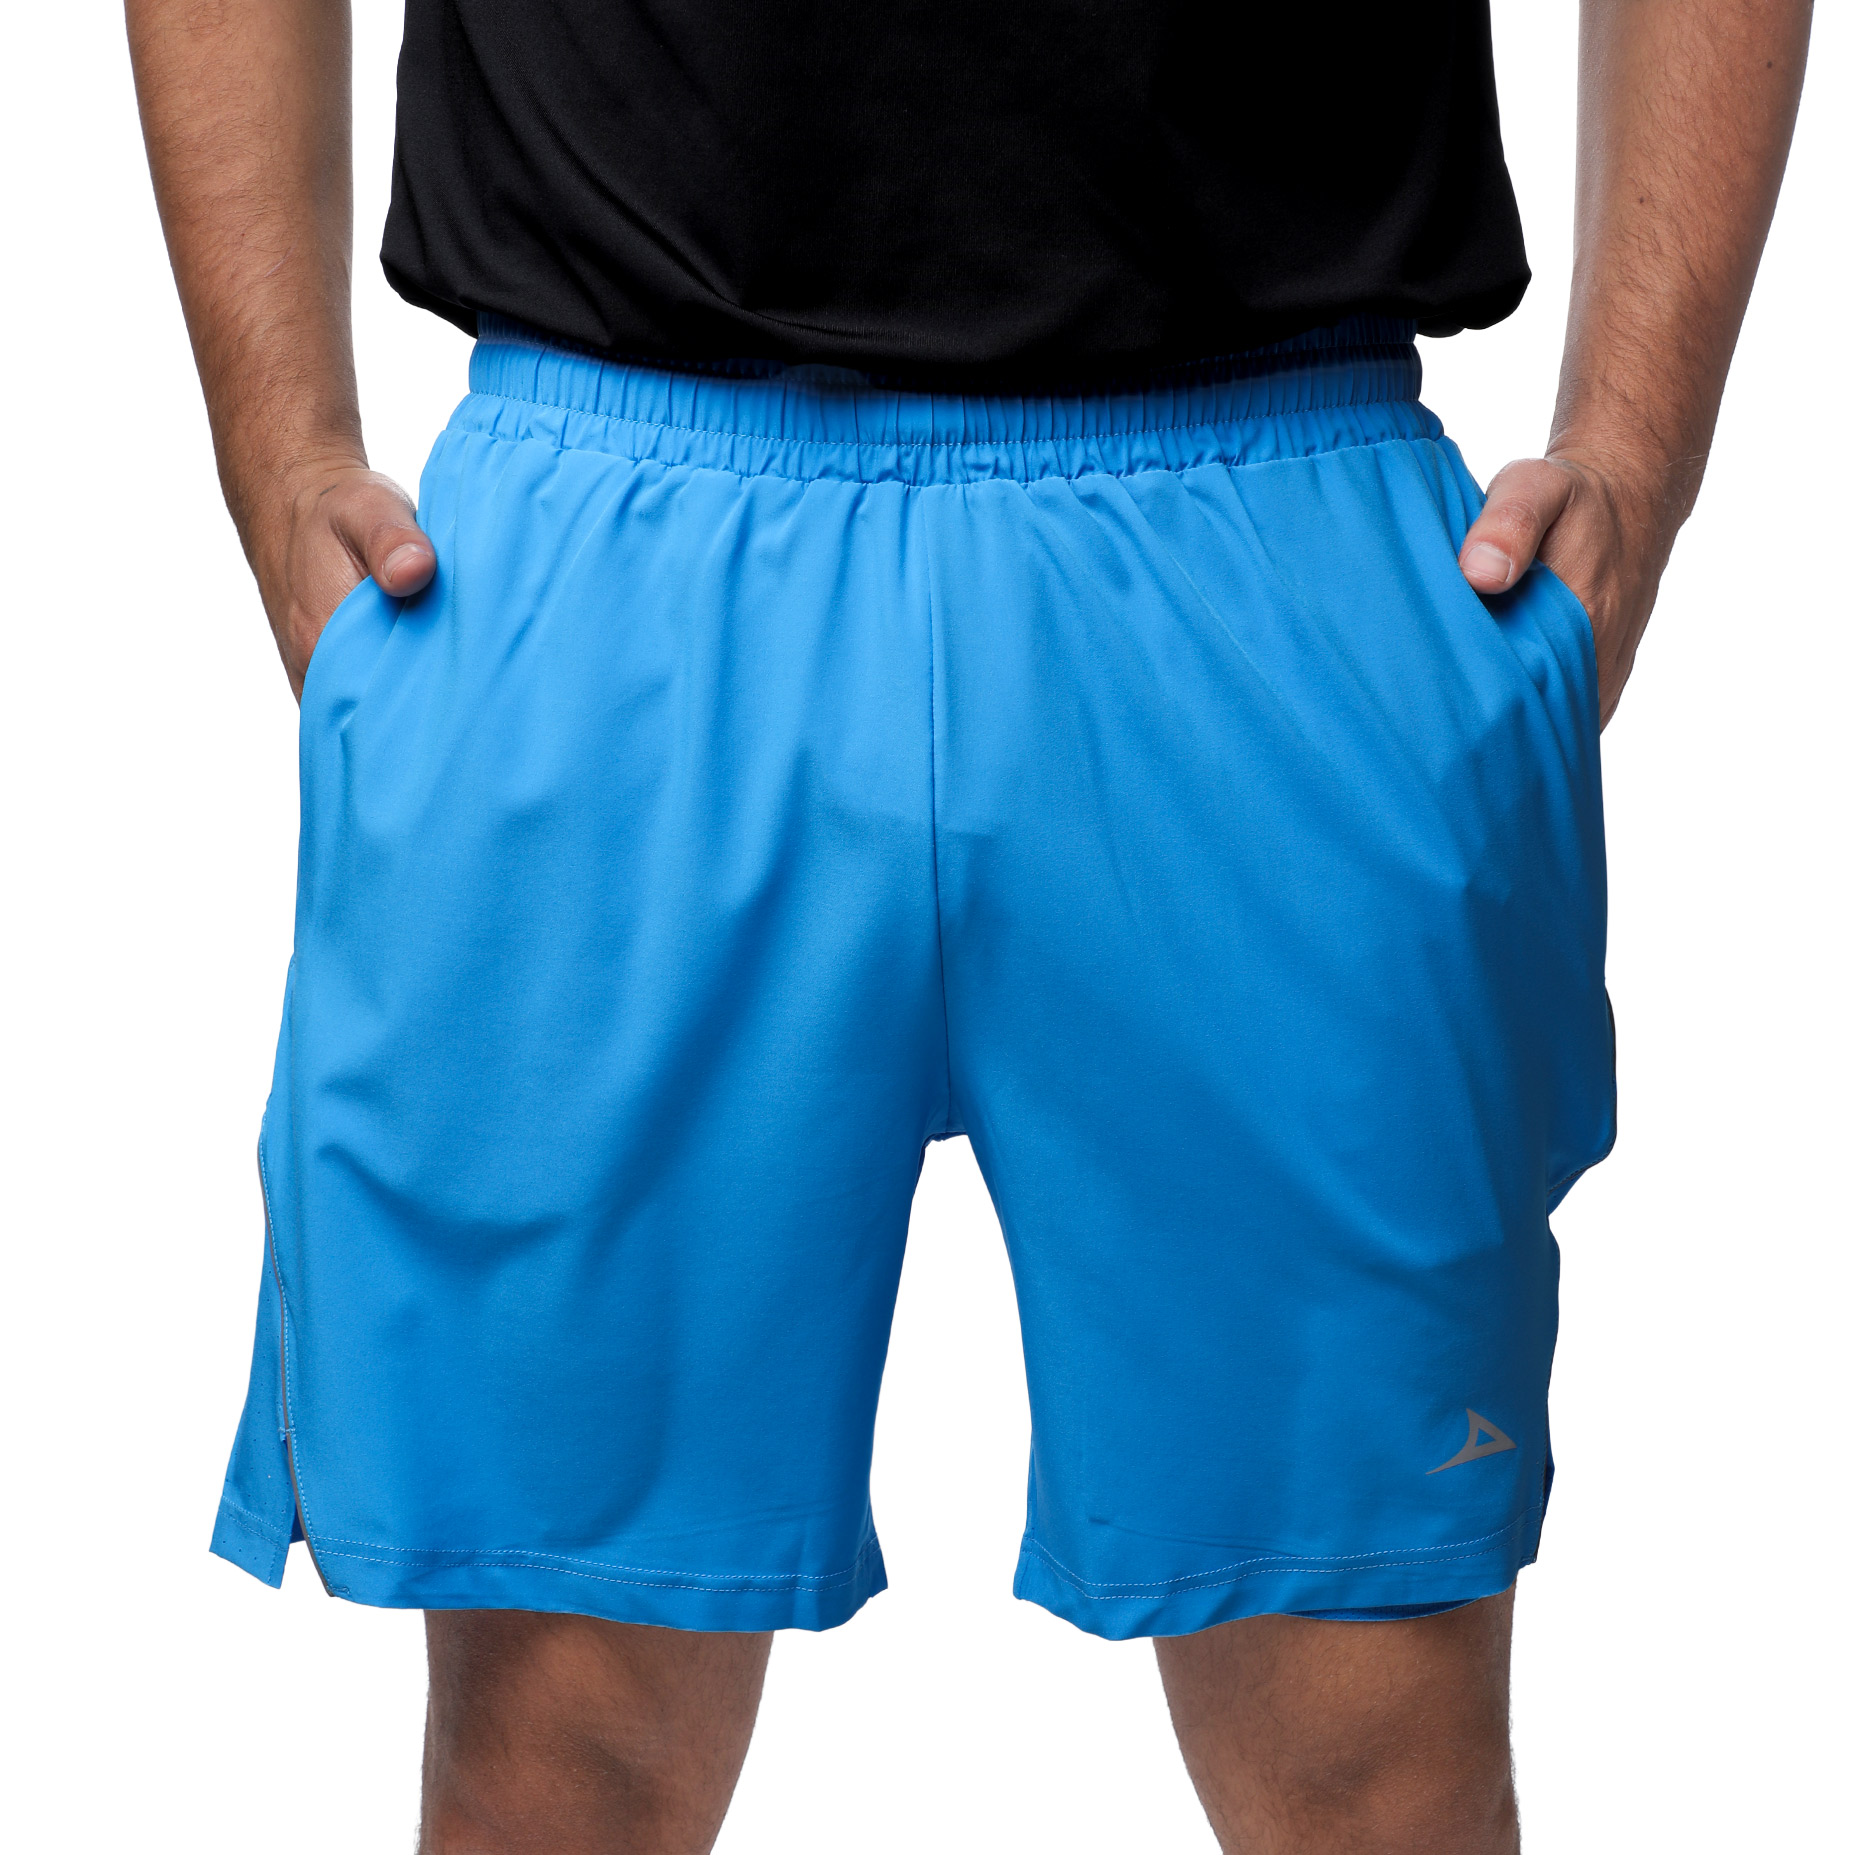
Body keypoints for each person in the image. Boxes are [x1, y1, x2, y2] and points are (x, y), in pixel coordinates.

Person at [127, 2, 1810, 1848]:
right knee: (559, 1749)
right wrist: (278, 447)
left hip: (1277, 522)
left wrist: (1633, 449)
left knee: (1373, 1751)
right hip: (610, 520)